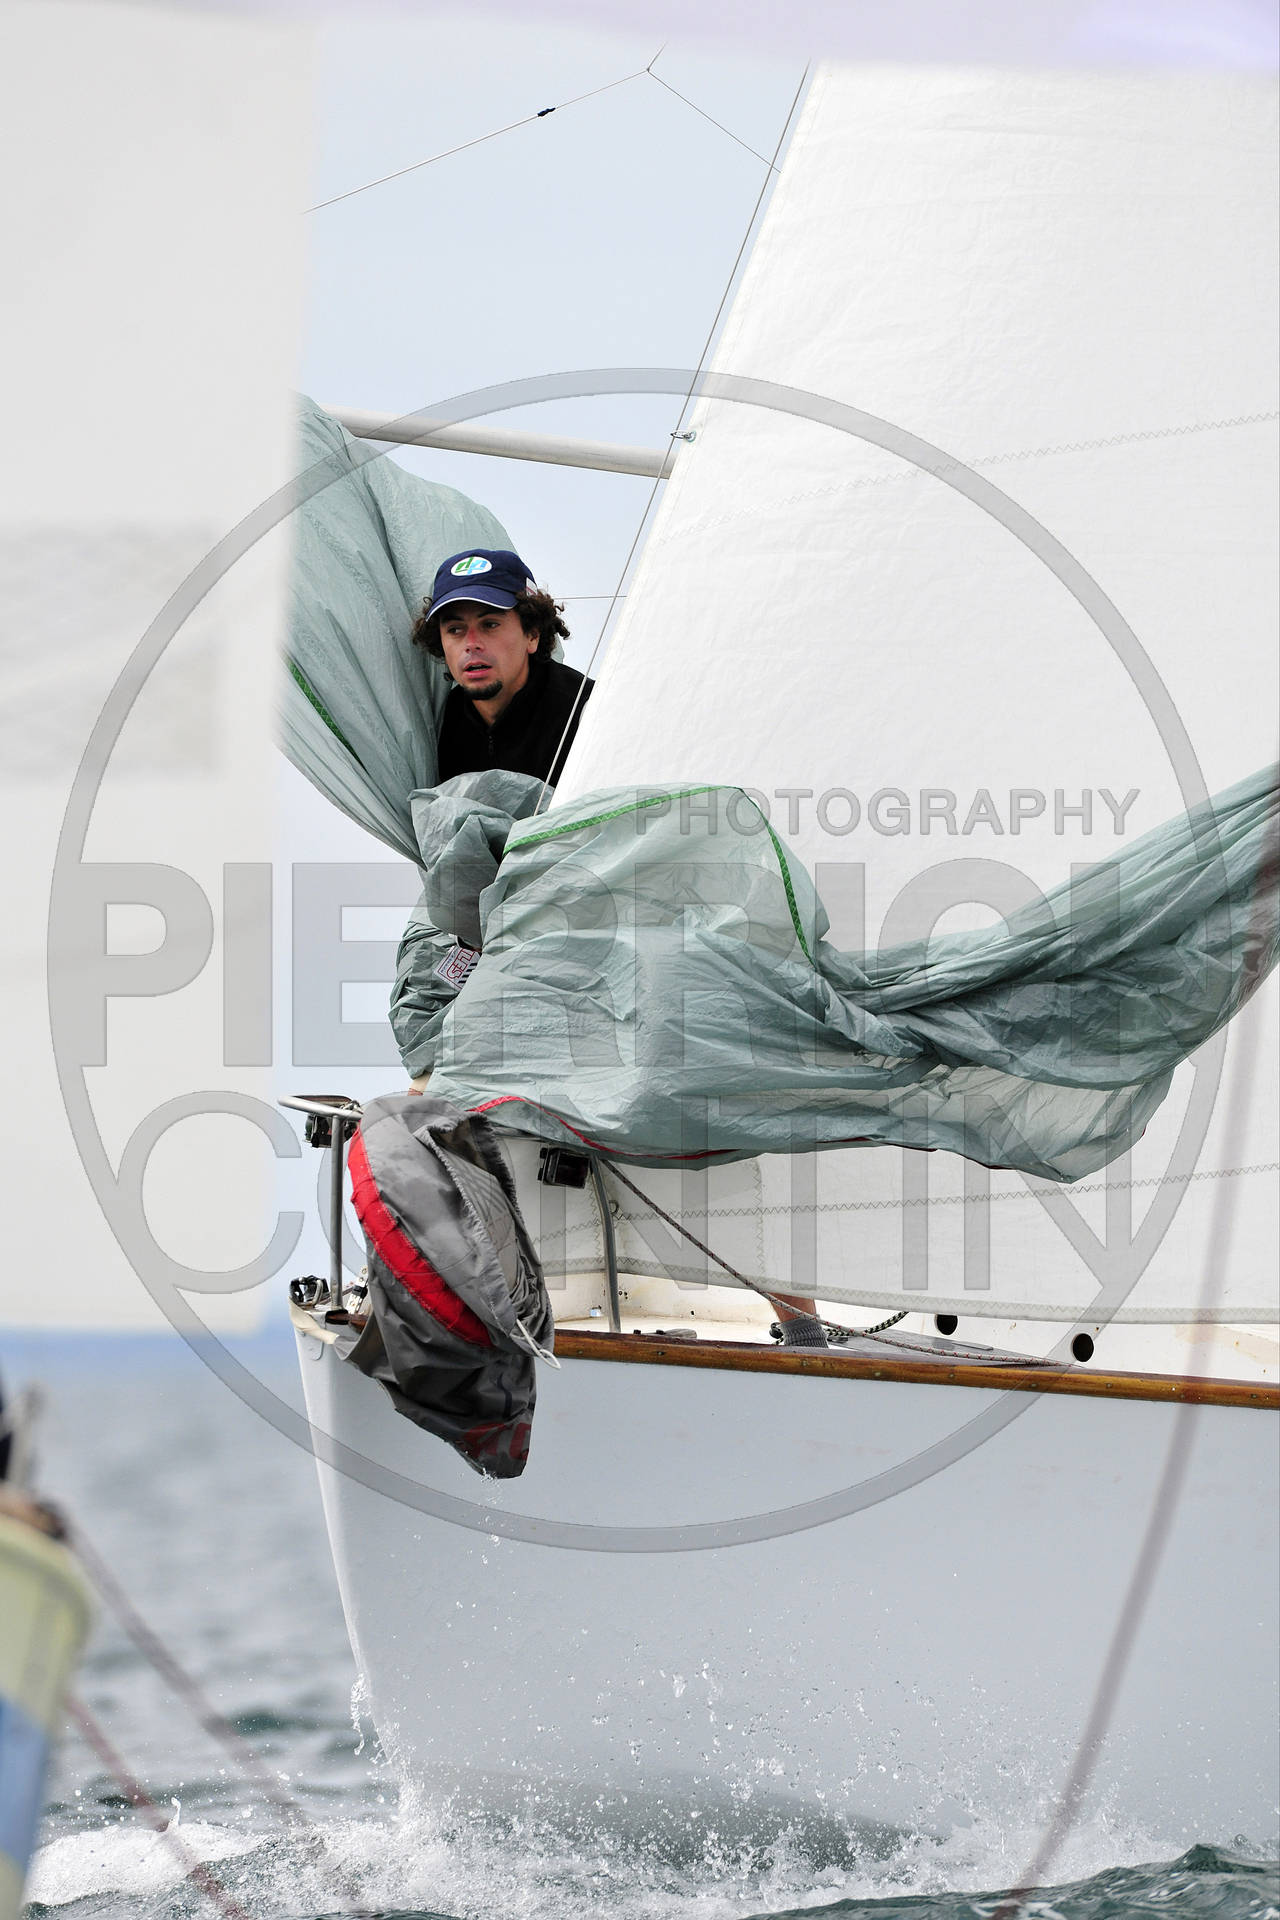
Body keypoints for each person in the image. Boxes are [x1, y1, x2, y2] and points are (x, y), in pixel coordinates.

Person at [412, 548, 592, 785]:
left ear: (532, 634)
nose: (471, 644)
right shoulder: (438, 722)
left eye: (490, 625)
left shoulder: (588, 711)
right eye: (455, 629)